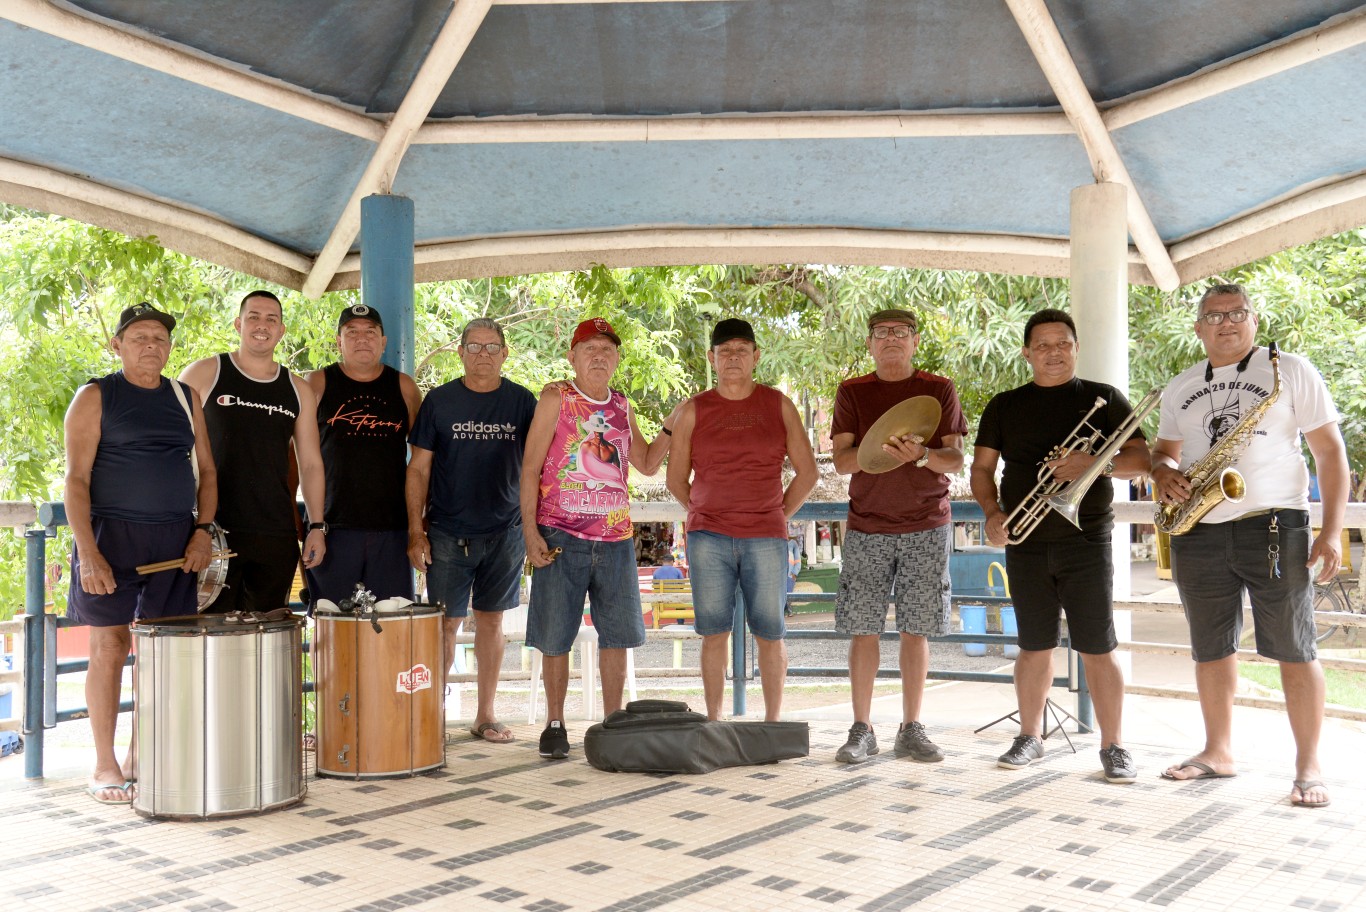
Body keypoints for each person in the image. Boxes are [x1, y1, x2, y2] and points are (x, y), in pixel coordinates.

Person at [1151, 283, 1348, 809]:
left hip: (1275, 525)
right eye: (1214, 316)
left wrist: (1331, 531)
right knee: (1210, 646)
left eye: (1237, 313)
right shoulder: (1182, 385)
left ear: (1254, 320)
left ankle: (1308, 765)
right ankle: (1218, 752)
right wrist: (1162, 473)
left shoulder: (1291, 370)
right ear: (1198, 328)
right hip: (1199, 529)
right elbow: (1165, 453)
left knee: (1294, 646)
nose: (1226, 323)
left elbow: (1329, 453)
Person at [970, 308, 1149, 783]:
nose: (1053, 352)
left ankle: (1114, 745)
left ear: (1075, 347)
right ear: (1027, 352)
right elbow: (982, 470)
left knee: (1098, 646)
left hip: (1086, 539)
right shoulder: (1004, 405)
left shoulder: (1103, 399)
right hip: (1025, 541)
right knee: (1034, 645)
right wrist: (991, 512)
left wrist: (1095, 463)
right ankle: (1030, 735)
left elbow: (1140, 458)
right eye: (1043, 345)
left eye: (1062, 343)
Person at [63, 303, 218, 804]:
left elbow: (208, 475)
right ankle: (105, 765)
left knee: (161, 653)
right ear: (117, 345)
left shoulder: (185, 396)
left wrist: (202, 533)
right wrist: (89, 553)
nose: (151, 344)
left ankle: (140, 757)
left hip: (176, 541)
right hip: (111, 537)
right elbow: (76, 480)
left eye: (159, 337)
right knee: (110, 647)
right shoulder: (94, 396)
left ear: (169, 347)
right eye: (138, 337)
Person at [522, 317, 672, 759]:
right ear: (572, 356)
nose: (599, 356)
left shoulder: (623, 406)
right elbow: (530, 467)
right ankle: (555, 723)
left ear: (617, 359)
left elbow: (644, 463)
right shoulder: (556, 397)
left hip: (615, 539)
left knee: (618, 634)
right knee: (555, 635)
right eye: (589, 348)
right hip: (559, 535)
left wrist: (671, 427)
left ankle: (612, 722)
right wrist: (530, 532)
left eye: (607, 349)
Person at [830, 308, 967, 764]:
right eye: (881, 333)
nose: (891, 339)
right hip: (867, 524)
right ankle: (861, 728)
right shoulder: (853, 391)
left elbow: (955, 460)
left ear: (915, 340)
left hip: (927, 524)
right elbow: (843, 461)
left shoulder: (938, 389)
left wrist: (923, 454)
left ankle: (911, 727)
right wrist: (882, 449)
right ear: (869, 343)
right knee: (863, 628)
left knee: (917, 629)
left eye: (900, 332)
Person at [666, 318, 819, 722]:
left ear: (756, 356)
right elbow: (674, 478)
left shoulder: (778, 404)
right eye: (724, 350)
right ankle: (714, 721)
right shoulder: (692, 409)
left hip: (766, 537)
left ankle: (773, 722)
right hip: (708, 538)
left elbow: (809, 473)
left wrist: (776, 514)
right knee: (713, 631)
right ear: (712, 358)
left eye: (741, 349)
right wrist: (703, 509)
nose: (732, 357)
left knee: (770, 632)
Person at [407, 317, 536, 744]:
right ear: (460, 352)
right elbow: (419, 469)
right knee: (444, 624)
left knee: (492, 623)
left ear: (505, 353)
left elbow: (540, 468)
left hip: (505, 533)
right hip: (446, 533)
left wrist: (535, 528)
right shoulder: (439, 402)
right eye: (474, 346)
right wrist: (415, 529)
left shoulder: (522, 402)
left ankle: (485, 714)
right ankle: (431, 717)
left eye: (491, 346)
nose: (483, 354)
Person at [180, 290, 327, 612]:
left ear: (282, 330)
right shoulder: (204, 373)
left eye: (271, 319)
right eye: (254, 317)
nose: (263, 325)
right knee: (211, 637)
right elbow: (173, 449)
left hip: (275, 532)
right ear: (238, 324)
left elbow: (312, 464)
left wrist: (317, 526)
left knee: (266, 640)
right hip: (213, 531)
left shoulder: (298, 388)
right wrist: (189, 525)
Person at [304, 304, 422, 604]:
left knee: (392, 626)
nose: (362, 339)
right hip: (333, 529)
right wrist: (311, 525)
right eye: (352, 332)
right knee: (332, 624)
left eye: (370, 332)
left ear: (383, 342)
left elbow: (423, 463)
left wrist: (419, 526)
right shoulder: (316, 384)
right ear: (338, 341)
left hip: (392, 531)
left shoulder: (405, 387)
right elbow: (301, 460)